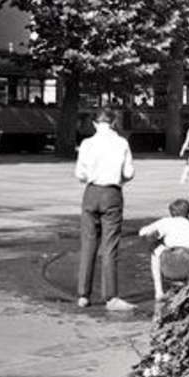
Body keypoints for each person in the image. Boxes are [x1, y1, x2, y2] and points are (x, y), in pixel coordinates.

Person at [74, 108, 135, 311]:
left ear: (94, 124)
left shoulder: (87, 143)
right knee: (110, 246)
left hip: (90, 193)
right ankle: (110, 297)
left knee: (88, 244)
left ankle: (83, 295)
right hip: (112, 193)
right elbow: (129, 172)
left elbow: (80, 174)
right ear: (114, 122)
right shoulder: (122, 143)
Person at [139, 199, 189, 301]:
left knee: (154, 248)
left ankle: (159, 292)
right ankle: (187, 287)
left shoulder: (167, 221)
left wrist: (154, 236)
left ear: (171, 212)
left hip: (174, 266)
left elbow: (142, 232)